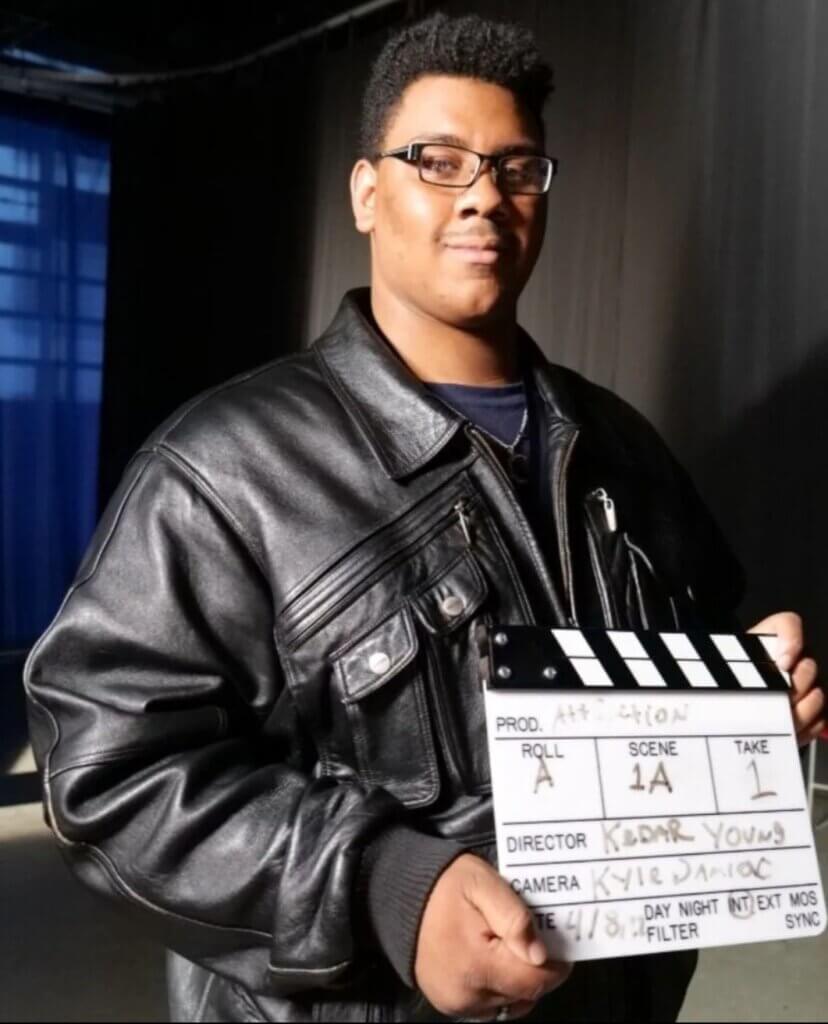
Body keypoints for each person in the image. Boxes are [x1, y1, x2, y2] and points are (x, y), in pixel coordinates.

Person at [23, 12, 823, 1024]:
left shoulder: (622, 445)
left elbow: (690, 668)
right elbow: (110, 772)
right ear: (367, 192)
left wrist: (750, 691)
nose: (484, 194)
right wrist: (386, 887)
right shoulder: (225, 466)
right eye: (437, 161)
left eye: (516, 166)